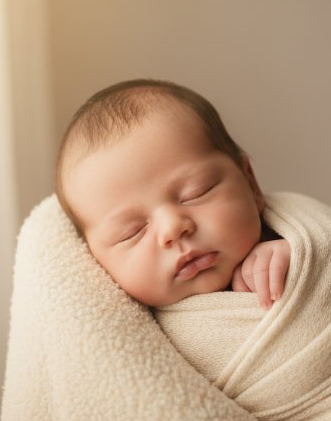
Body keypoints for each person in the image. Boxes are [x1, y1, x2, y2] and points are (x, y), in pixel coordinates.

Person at [55, 78, 289, 309]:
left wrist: (303, 259)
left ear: (250, 182)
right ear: (96, 262)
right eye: (132, 232)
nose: (172, 228)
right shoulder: (119, 323)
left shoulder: (297, 246)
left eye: (196, 193)